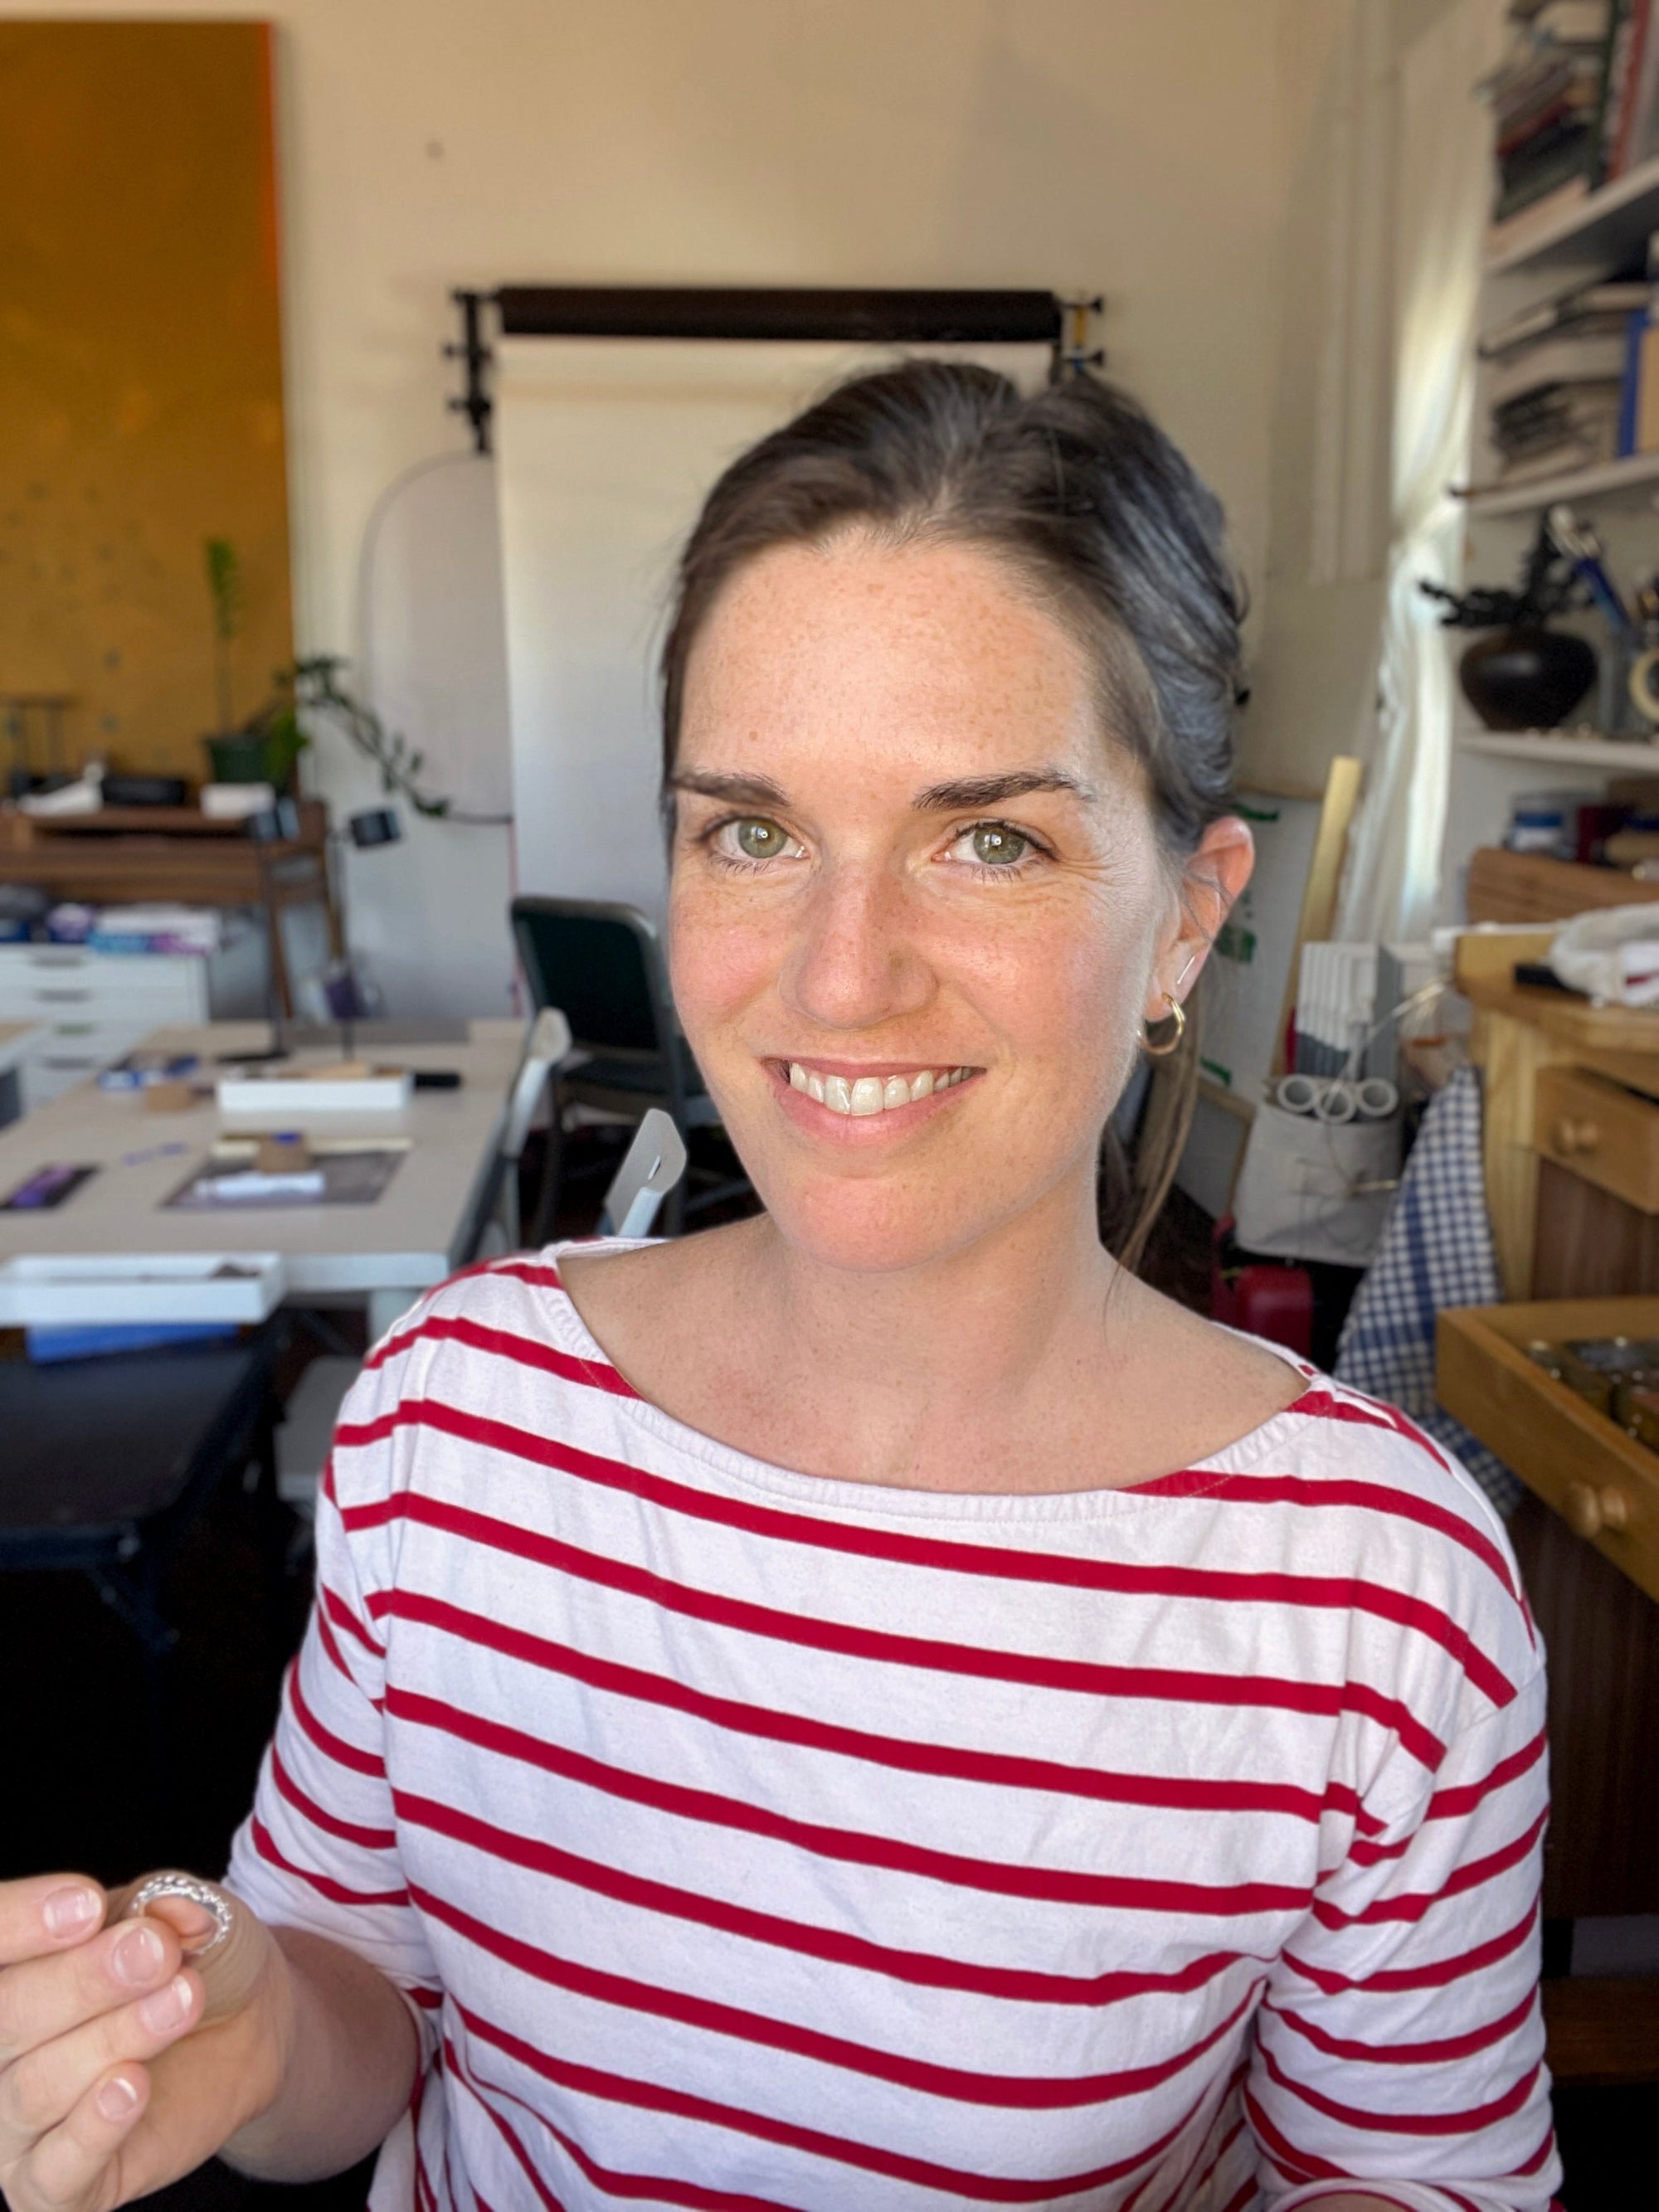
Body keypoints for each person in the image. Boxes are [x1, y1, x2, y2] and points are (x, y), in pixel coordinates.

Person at [0, 363, 1556, 2212]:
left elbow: (1406, 2167)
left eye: (989, 837)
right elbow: (362, 1991)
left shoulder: (1377, 1586)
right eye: (755, 829)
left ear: (1189, 915)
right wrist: (242, 2014)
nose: (836, 980)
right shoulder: (450, 1421)